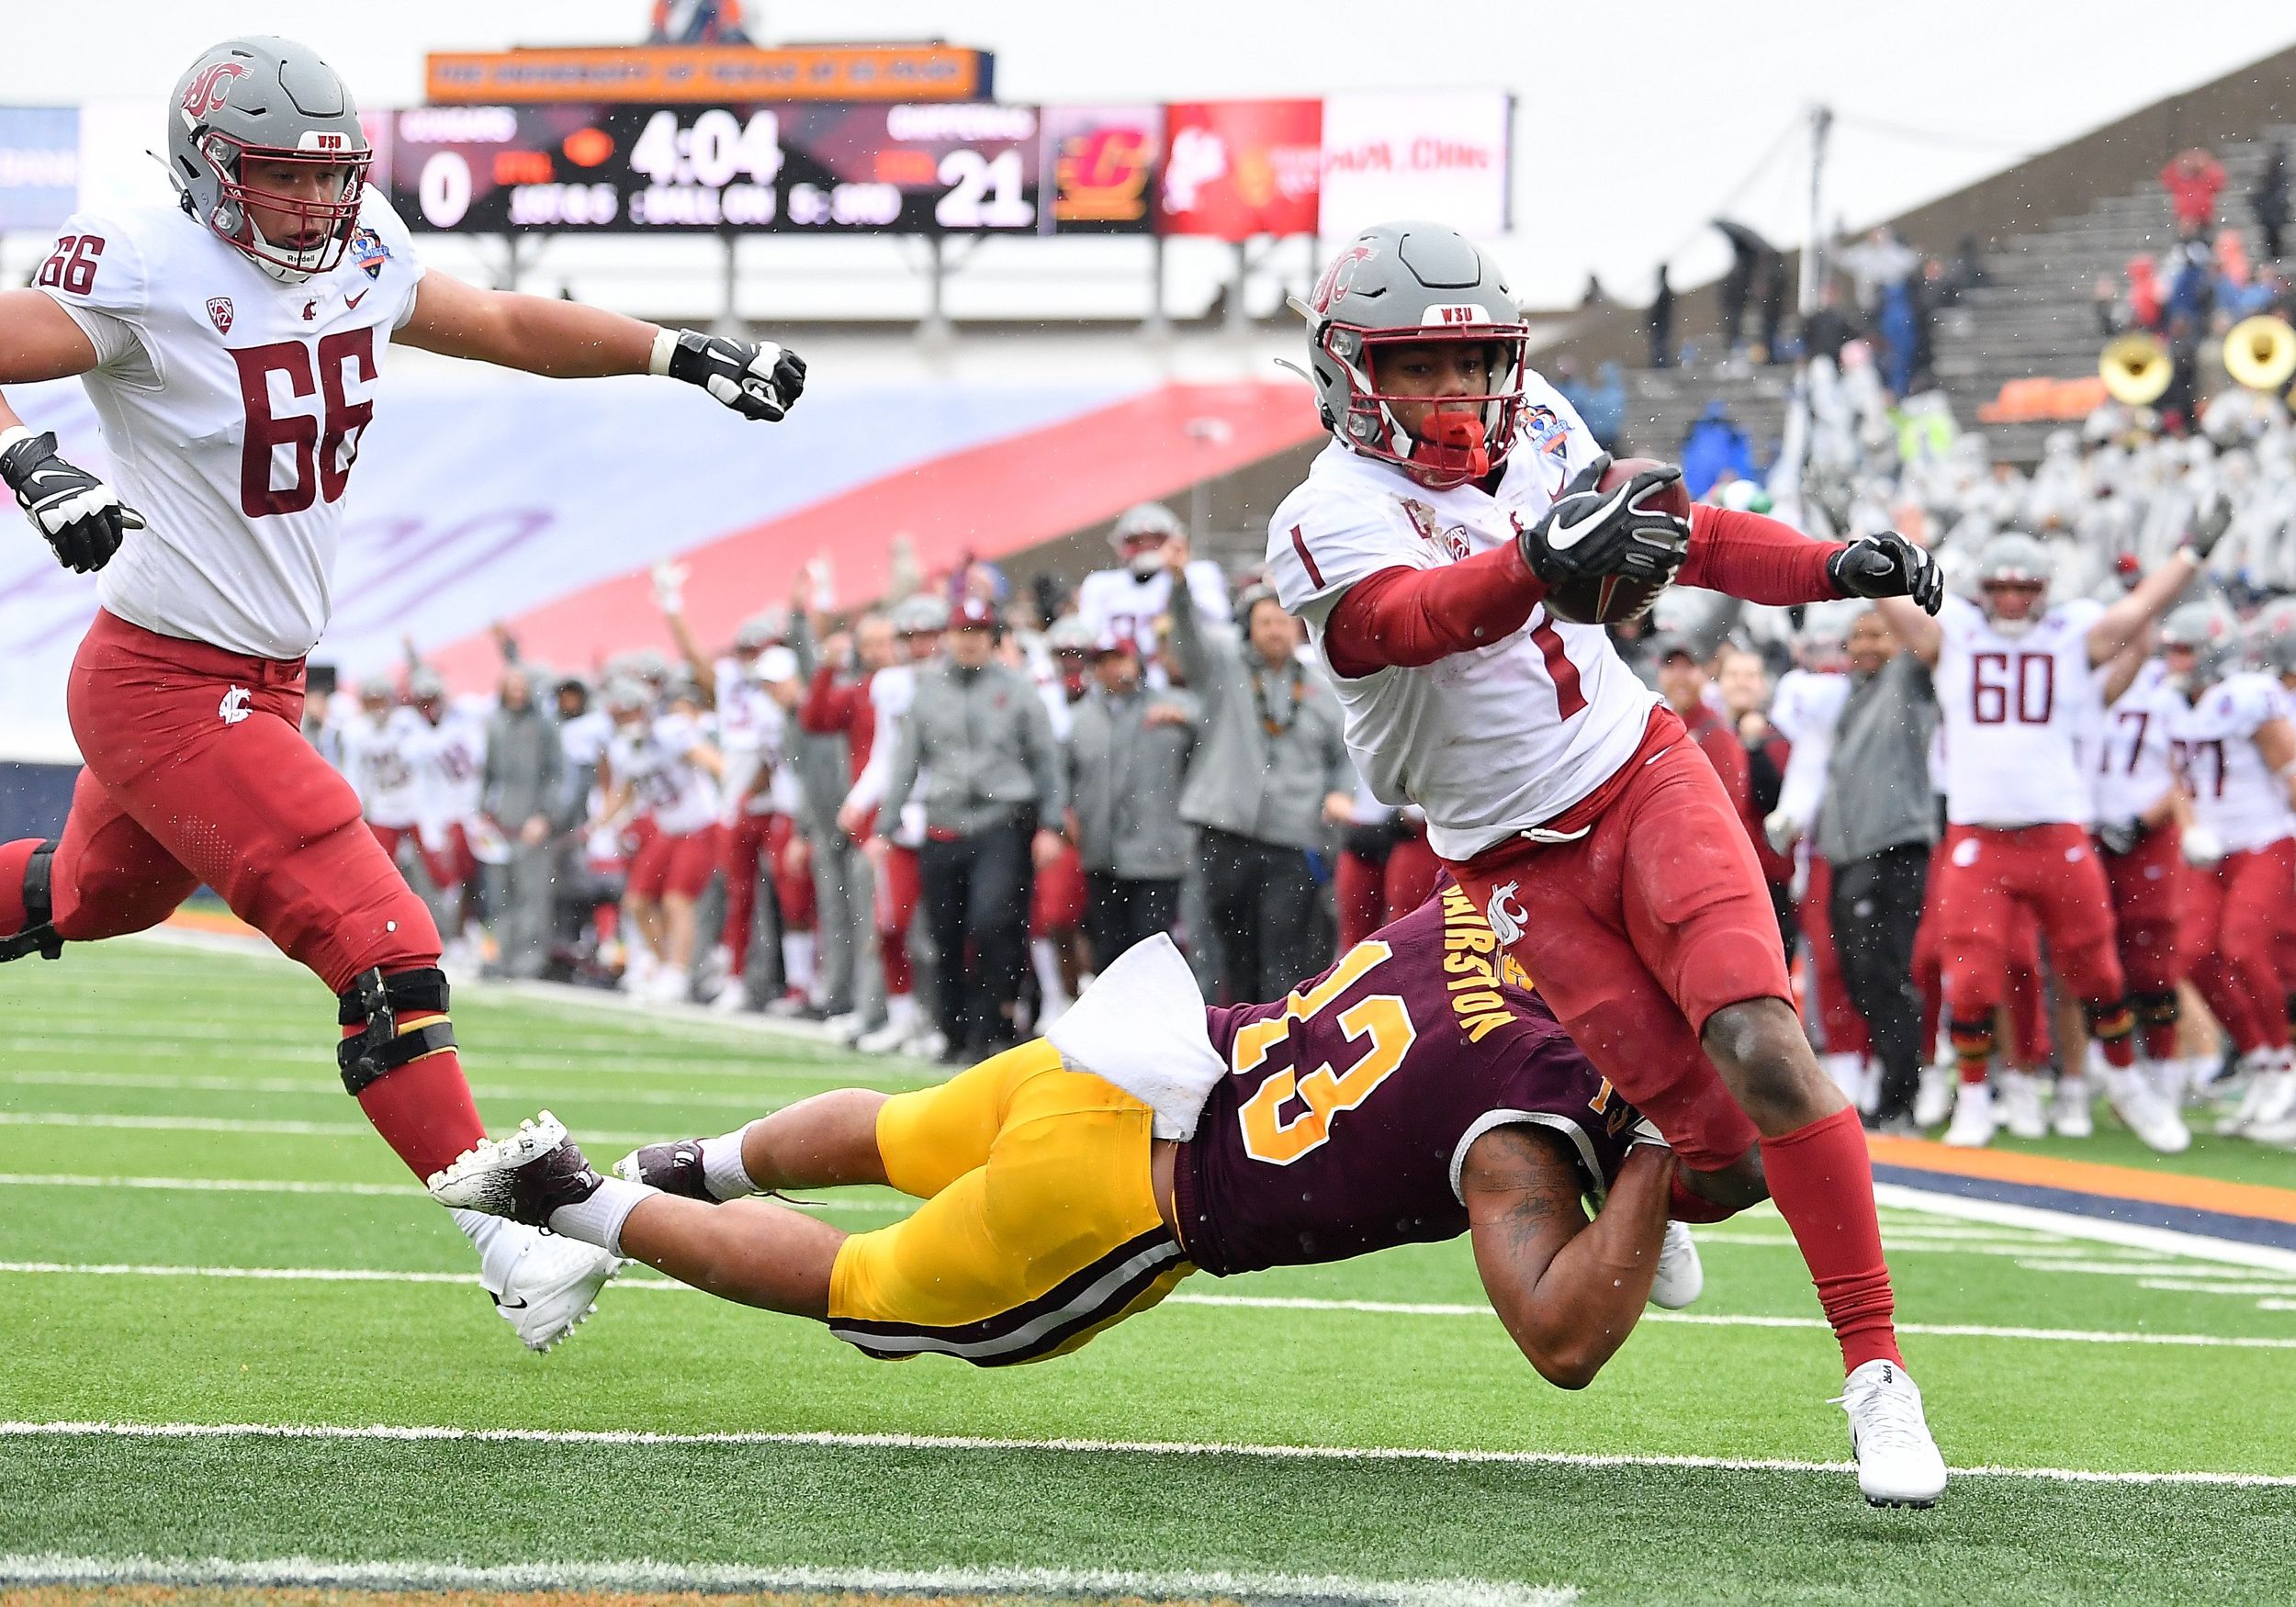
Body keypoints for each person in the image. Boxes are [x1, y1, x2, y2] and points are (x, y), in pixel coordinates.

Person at [0, 35, 805, 1351]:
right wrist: (33, 459)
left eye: (331, 177)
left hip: (259, 673)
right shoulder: (140, 257)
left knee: (94, 898)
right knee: (383, 950)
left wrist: (677, 351)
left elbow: (495, 322)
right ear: (210, 170)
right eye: (282, 178)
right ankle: (506, 1230)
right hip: (165, 677)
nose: (316, 205)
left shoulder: (359, 239)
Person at [1267, 219, 1948, 1505]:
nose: (1453, 395)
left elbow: (1686, 539)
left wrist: (1832, 567)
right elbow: (1408, 622)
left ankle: (1876, 1377)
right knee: (1725, 1161)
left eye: (1471, 364)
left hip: (1639, 768)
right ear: (1349, 370)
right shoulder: (1323, 516)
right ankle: (1641, 1132)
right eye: (1415, 366)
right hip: (1506, 858)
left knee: (1759, 1036)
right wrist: (1534, 559)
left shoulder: (1542, 431)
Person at [432, 884, 1710, 1386]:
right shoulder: (1527, 1121)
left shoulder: (1481, 907)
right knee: (859, 1285)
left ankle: (687, 1164)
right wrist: (1654, 1146)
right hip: (1131, 1198)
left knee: (893, 1129)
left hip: (1122, 1055)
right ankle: (574, 1197)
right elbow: (1562, 1339)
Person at [1874, 528, 2213, 1149]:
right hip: (1980, 835)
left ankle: (2126, 1084)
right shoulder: (1954, 639)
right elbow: (1887, 595)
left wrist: (2192, 553)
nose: (2011, 600)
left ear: (2043, 592)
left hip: (2057, 831)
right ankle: (1974, 1093)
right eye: (2001, 587)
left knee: (2099, 972)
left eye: (2023, 588)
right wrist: (1852, 538)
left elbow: (2139, 612)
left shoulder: (2069, 643)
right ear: (1983, 589)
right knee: (1970, 974)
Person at [875, 596, 1066, 1060]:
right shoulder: (927, 689)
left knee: (992, 921)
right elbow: (905, 759)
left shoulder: (1018, 688)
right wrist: (887, 821)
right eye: (963, 632)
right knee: (945, 933)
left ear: (993, 637)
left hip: (1001, 821)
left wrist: (1052, 823)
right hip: (943, 824)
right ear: (949, 637)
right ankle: (954, 1031)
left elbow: (1046, 760)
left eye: (979, 633)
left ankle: (992, 1026)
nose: (970, 642)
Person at [1767, 609, 1937, 1129]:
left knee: (1888, 972)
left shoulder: (1904, 682)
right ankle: (1891, 1087)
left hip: (1892, 846)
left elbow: (1923, 644)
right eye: (1857, 635)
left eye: (1877, 635)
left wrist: (1888, 592)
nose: (1865, 644)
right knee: (1863, 975)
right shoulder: (1853, 693)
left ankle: (1900, 1094)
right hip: (1852, 852)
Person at [1165, 561, 1356, 1006]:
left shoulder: (1321, 690)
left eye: (1285, 622)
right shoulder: (1223, 672)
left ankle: (1277, 1046)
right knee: (1233, 952)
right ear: (1247, 628)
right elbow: (1188, 642)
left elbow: (1346, 754)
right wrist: (1179, 588)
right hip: (1226, 835)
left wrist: (1340, 793)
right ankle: (1242, 1044)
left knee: (1284, 948)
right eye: (1265, 622)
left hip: (1292, 841)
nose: (1276, 631)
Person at [2157, 602, 2296, 1142]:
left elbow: (2289, 769)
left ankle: (2283, 1064)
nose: (2174, 660)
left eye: (2184, 649)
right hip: (2213, 850)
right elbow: (2179, 779)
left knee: (2245, 948)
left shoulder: (2247, 699)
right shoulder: (2169, 701)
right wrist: (2190, 825)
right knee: (2192, 955)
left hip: (2265, 841)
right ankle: (2260, 1058)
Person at [1064, 630, 1199, 966]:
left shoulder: (1174, 706)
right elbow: (1064, 776)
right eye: (1104, 661)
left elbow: (1216, 738)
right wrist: (1066, 815)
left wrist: (1189, 722)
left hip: (1158, 853)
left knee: (1151, 949)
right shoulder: (1081, 719)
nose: (1113, 669)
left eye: (1120, 658)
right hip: (1101, 853)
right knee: (1109, 953)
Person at [1074, 502, 1231, 674]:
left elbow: (1220, 616)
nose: (1145, 547)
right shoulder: (1100, 584)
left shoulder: (1197, 573)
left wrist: (1180, 576)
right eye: (1137, 540)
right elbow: (1086, 636)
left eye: (1155, 539)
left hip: (1183, 676)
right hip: (1126, 679)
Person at [479, 663, 564, 981]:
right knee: (498, 894)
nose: (516, 690)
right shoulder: (495, 724)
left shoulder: (544, 725)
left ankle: (528, 962)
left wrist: (545, 815)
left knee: (531, 895)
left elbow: (557, 775)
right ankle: (498, 957)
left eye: (520, 684)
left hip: (531, 822)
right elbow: (486, 773)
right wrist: (481, 814)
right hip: (500, 823)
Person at [1648, 264, 1673, 369]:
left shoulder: (1664, 291)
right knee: (1660, 347)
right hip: (1661, 323)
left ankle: (1661, 367)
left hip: (1661, 323)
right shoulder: (1662, 290)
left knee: (1660, 347)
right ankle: (1660, 366)